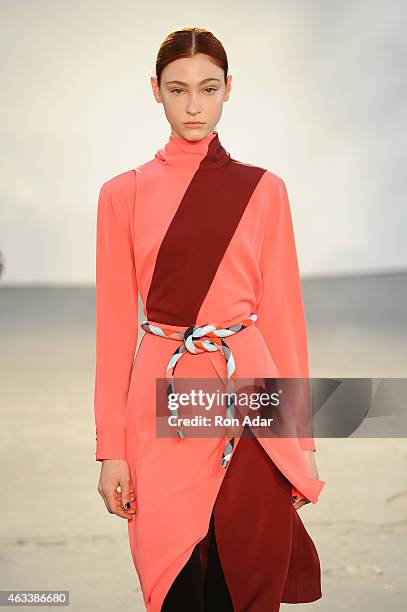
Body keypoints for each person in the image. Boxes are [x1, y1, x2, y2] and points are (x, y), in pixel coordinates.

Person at [94, 26, 326, 612]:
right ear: (155, 91)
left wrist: (300, 442)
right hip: (164, 390)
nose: (193, 105)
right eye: (177, 90)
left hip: (248, 391)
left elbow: (284, 321)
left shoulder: (264, 191)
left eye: (207, 88)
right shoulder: (122, 195)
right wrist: (110, 450)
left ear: (228, 91)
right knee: (173, 575)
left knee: (244, 575)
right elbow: (115, 330)